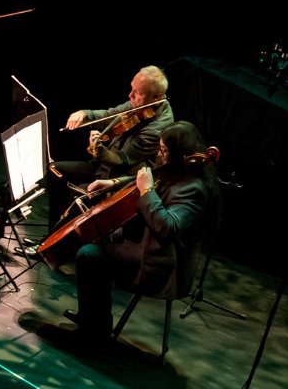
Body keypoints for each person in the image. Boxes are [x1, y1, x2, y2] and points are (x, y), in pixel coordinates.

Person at [68, 120, 218, 341]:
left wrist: (146, 190)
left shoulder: (193, 190)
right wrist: (112, 183)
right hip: (146, 245)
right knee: (95, 239)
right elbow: (149, 178)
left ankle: (94, 332)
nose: (159, 154)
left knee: (90, 255)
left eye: (164, 150)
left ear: (180, 154)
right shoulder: (175, 171)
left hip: (160, 264)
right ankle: (93, 319)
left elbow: (168, 227)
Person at [49, 65, 174, 224]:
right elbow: (110, 115)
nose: (130, 95)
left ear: (157, 97)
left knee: (77, 195)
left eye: (138, 93)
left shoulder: (157, 129)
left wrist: (99, 149)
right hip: (102, 166)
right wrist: (85, 114)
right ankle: (48, 235)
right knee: (54, 170)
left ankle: (55, 245)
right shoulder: (141, 104)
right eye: (131, 89)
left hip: (118, 178)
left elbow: (122, 160)